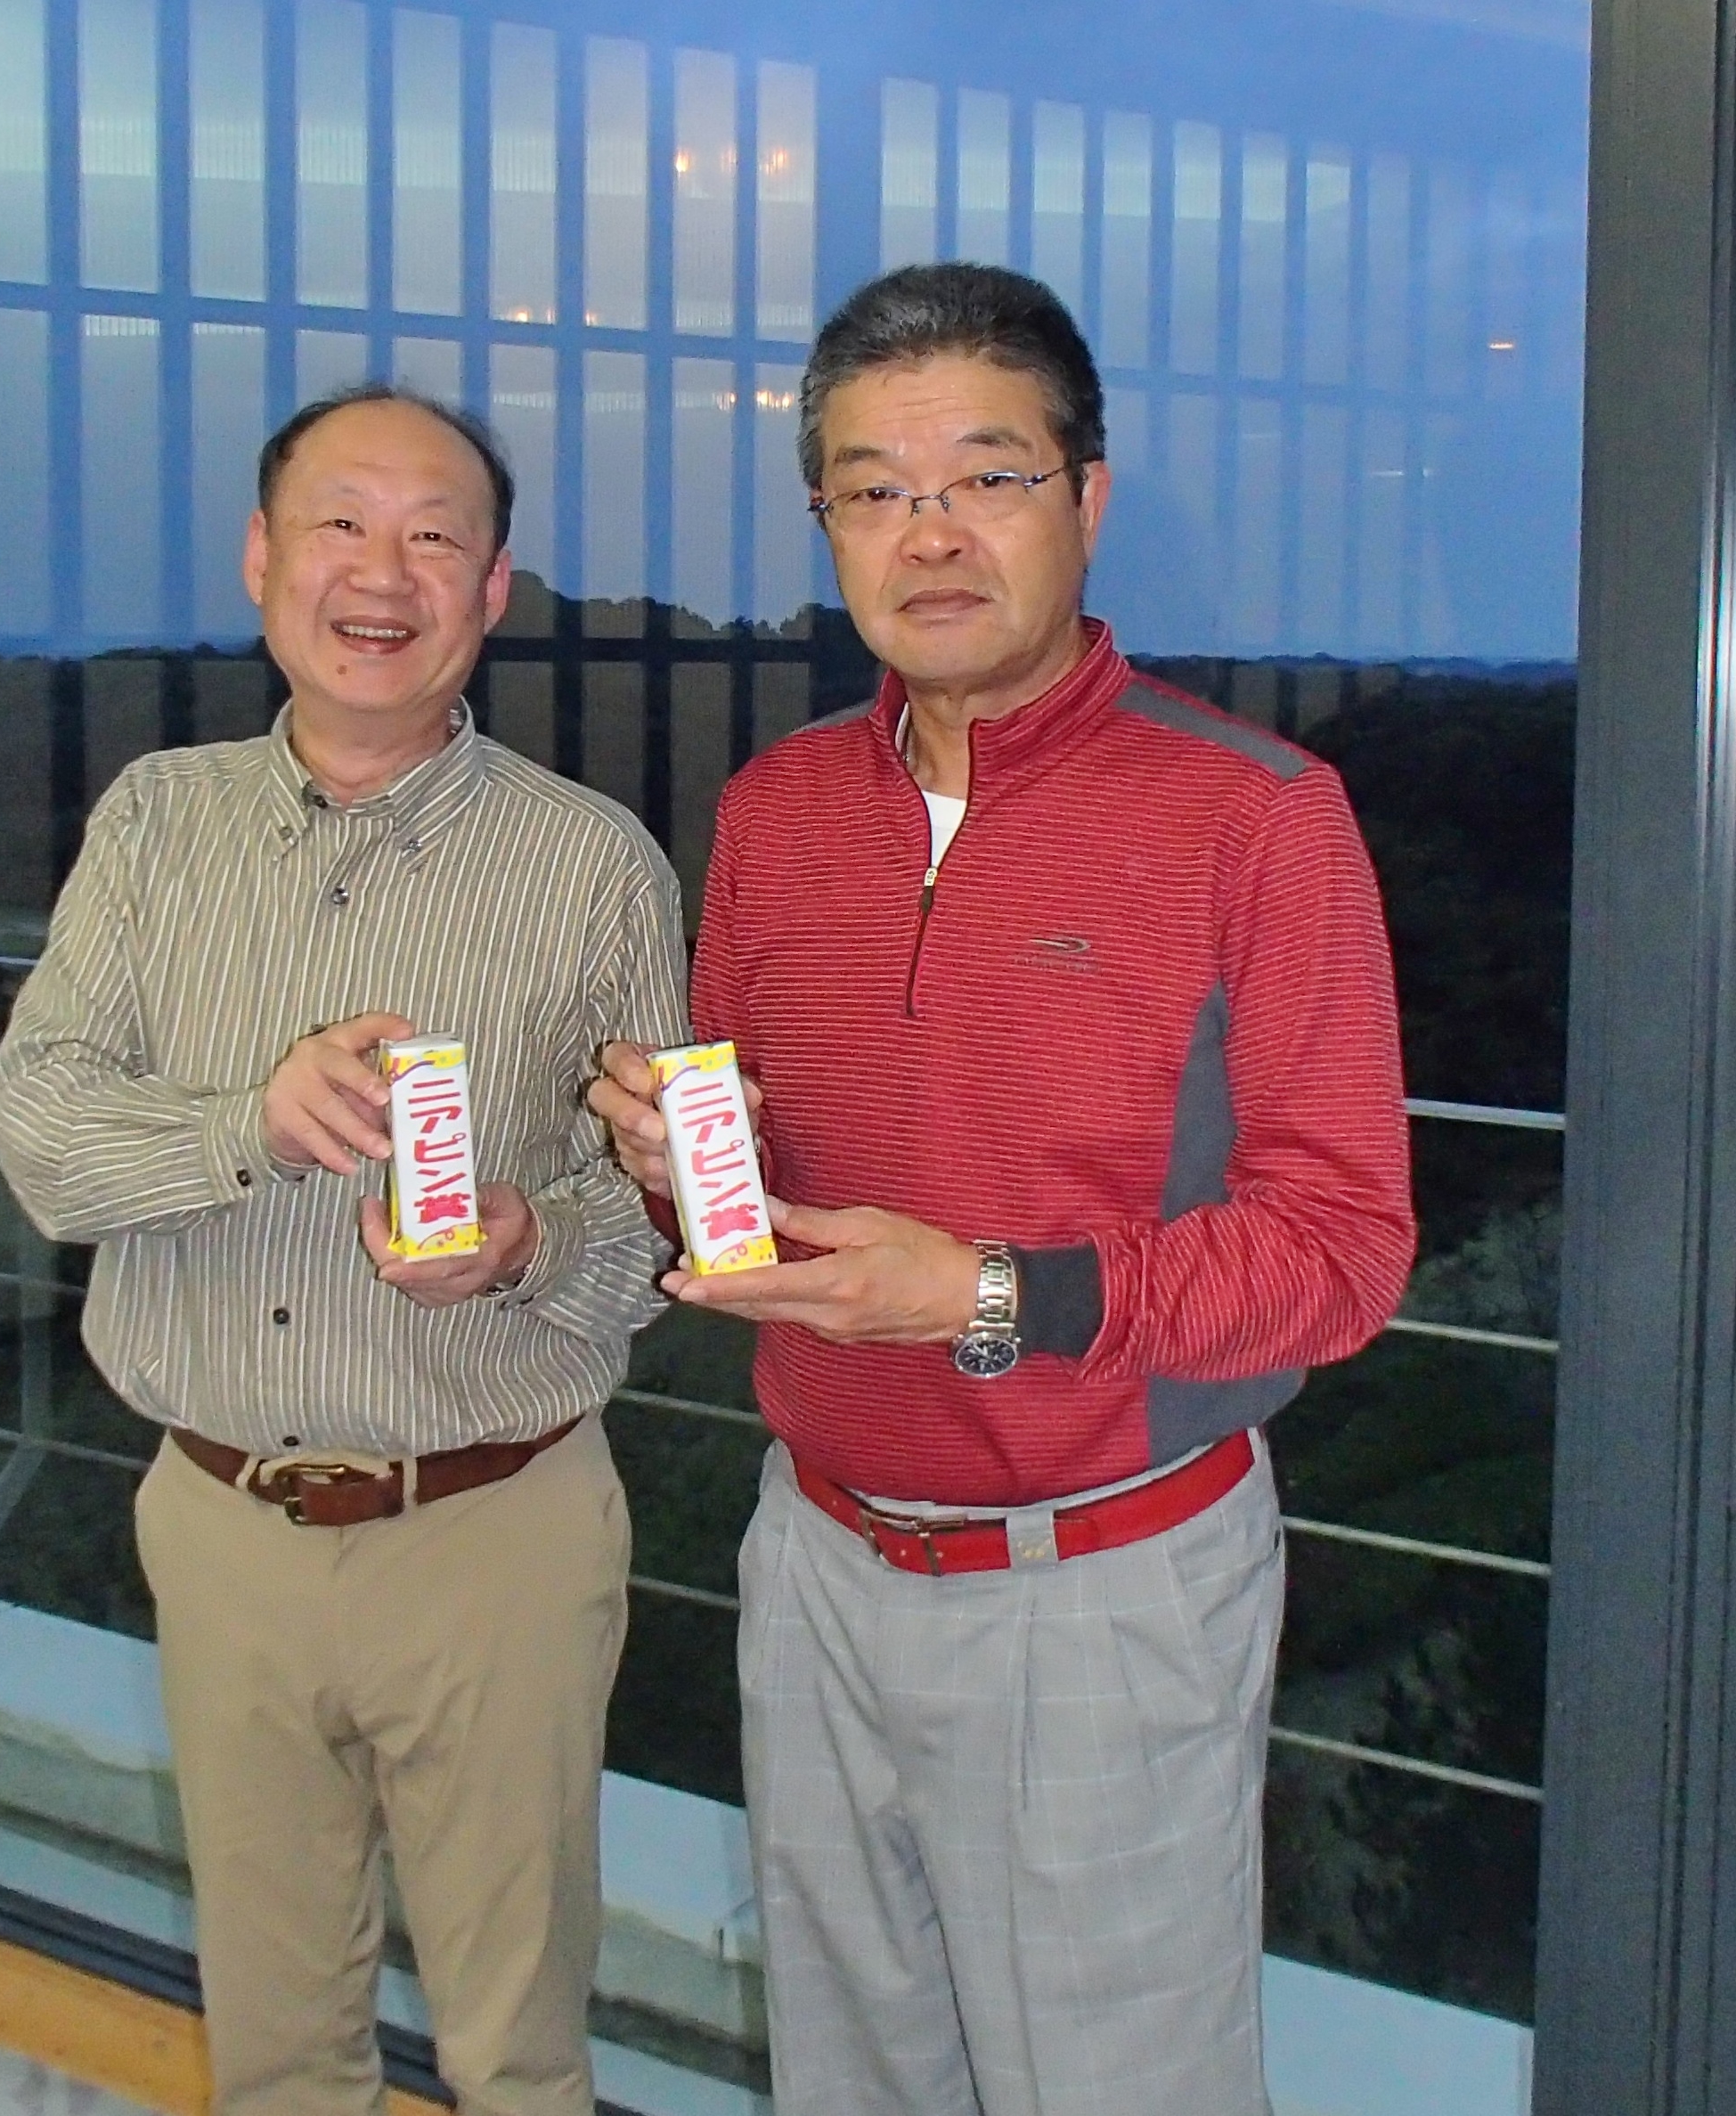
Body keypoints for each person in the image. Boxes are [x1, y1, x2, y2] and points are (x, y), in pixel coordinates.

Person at [592, 263, 1415, 2115]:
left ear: (1085, 498)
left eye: (987, 475)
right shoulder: (777, 809)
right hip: (814, 1556)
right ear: (826, 525)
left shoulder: (1256, 813)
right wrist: (675, 1166)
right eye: (873, 489)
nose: (931, 533)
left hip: (1103, 1585)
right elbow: (751, 1202)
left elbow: (1339, 1252)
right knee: (848, 2074)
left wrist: (983, 1296)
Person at [0, 382, 686, 2116]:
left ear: (491, 590)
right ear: (260, 557)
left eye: (434, 537)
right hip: (218, 1519)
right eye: (339, 526)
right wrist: (249, 1125)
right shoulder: (155, 823)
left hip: (497, 1533)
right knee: (277, 2045)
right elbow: (35, 1126)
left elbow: (671, 1213)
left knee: (518, 2053)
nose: (382, 573)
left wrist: (529, 1239)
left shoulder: (593, 864)